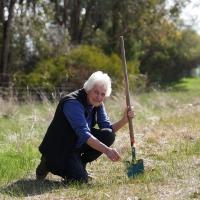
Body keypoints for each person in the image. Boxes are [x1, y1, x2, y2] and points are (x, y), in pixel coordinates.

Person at [36, 71, 134, 183]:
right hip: (60, 149)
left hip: (76, 145)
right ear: (88, 89)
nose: (99, 97)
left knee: (108, 135)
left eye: (102, 94)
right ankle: (46, 163)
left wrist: (124, 120)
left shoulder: (97, 104)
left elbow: (107, 129)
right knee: (80, 180)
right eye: (96, 92)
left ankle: (80, 165)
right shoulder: (72, 103)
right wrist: (107, 151)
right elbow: (84, 133)